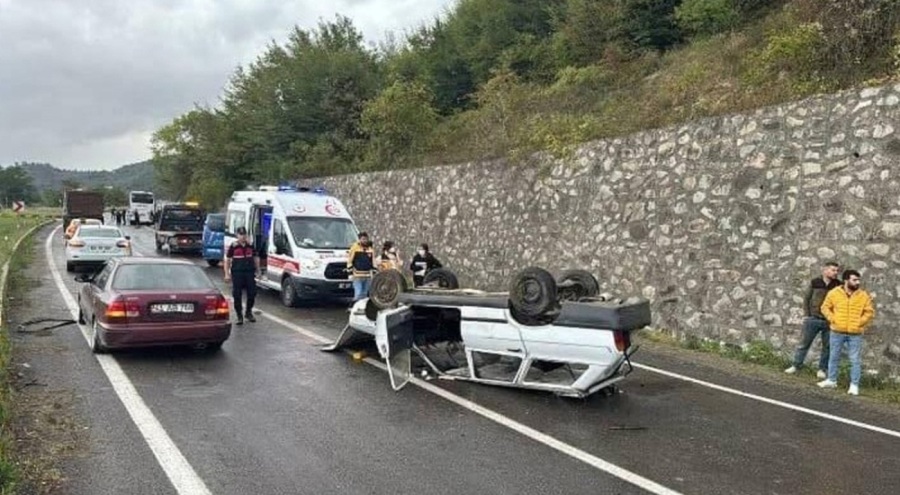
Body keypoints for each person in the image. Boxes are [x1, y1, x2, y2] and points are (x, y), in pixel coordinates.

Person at [817, 269, 876, 396]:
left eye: (858, 280)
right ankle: (831, 380)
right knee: (834, 356)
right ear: (846, 280)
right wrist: (833, 319)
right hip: (837, 331)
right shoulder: (834, 293)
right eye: (854, 280)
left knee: (854, 359)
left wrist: (860, 322)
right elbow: (825, 307)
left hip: (855, 333)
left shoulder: (863, 295)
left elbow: (869, 312)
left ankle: (854, 385)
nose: (857, 282)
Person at [785, 261, 841, 378]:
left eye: (836, 270)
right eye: (833, 270)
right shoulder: (815, 282)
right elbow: (807, 298)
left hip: (829, 321)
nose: (835, 273)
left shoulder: (838, 285)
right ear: (825, 270)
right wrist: (807, 315)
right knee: (804, 344)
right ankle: (796, 365)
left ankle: (822, 369)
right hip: (813, 319)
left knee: (827, 347)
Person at [224, 226, 260, 325]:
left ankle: (248, 312)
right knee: (237, 295)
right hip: (237, 273)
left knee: (252, 293)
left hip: (249, 272)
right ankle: (239, 316)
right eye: (240, 234)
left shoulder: (250, 245)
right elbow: (227, 260)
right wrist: (227, 274)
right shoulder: (233, 246)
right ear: (237, 235)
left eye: (244, 234)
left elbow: (255, 258)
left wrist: (258, 270)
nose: (243, 236)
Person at [347, 232, 375, 301]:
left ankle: (362, 307)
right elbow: (350, 261)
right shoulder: (355, 248)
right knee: (358, 293)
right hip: (357, 276)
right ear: (359, 239)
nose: (365, 241)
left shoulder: (370, 249)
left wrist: (374, 271)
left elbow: (373, 262)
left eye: (366, 239)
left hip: (367, 276)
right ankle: (355, 305)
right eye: (363, 239)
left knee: (365, 294)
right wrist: (350, 273)